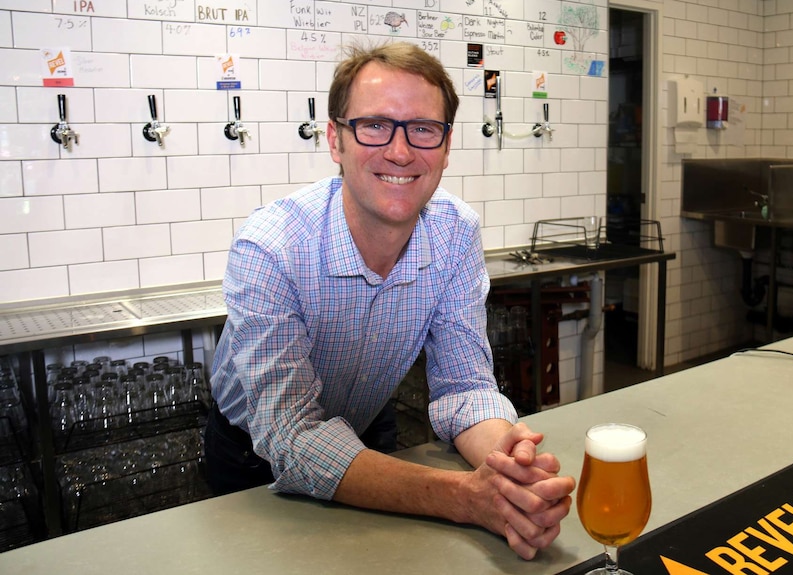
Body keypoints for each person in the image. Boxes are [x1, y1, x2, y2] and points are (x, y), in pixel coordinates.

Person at [205, 41, 575, 560]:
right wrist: (466, 499)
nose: (401, 152)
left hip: (364, 426)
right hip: (254, 451)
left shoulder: (455, 233)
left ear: (446, 147)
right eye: (375, 125)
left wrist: (511, 466)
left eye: (424, 129)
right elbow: (290, 437)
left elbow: (465, 388)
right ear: (336, 139)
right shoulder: (271, 247)